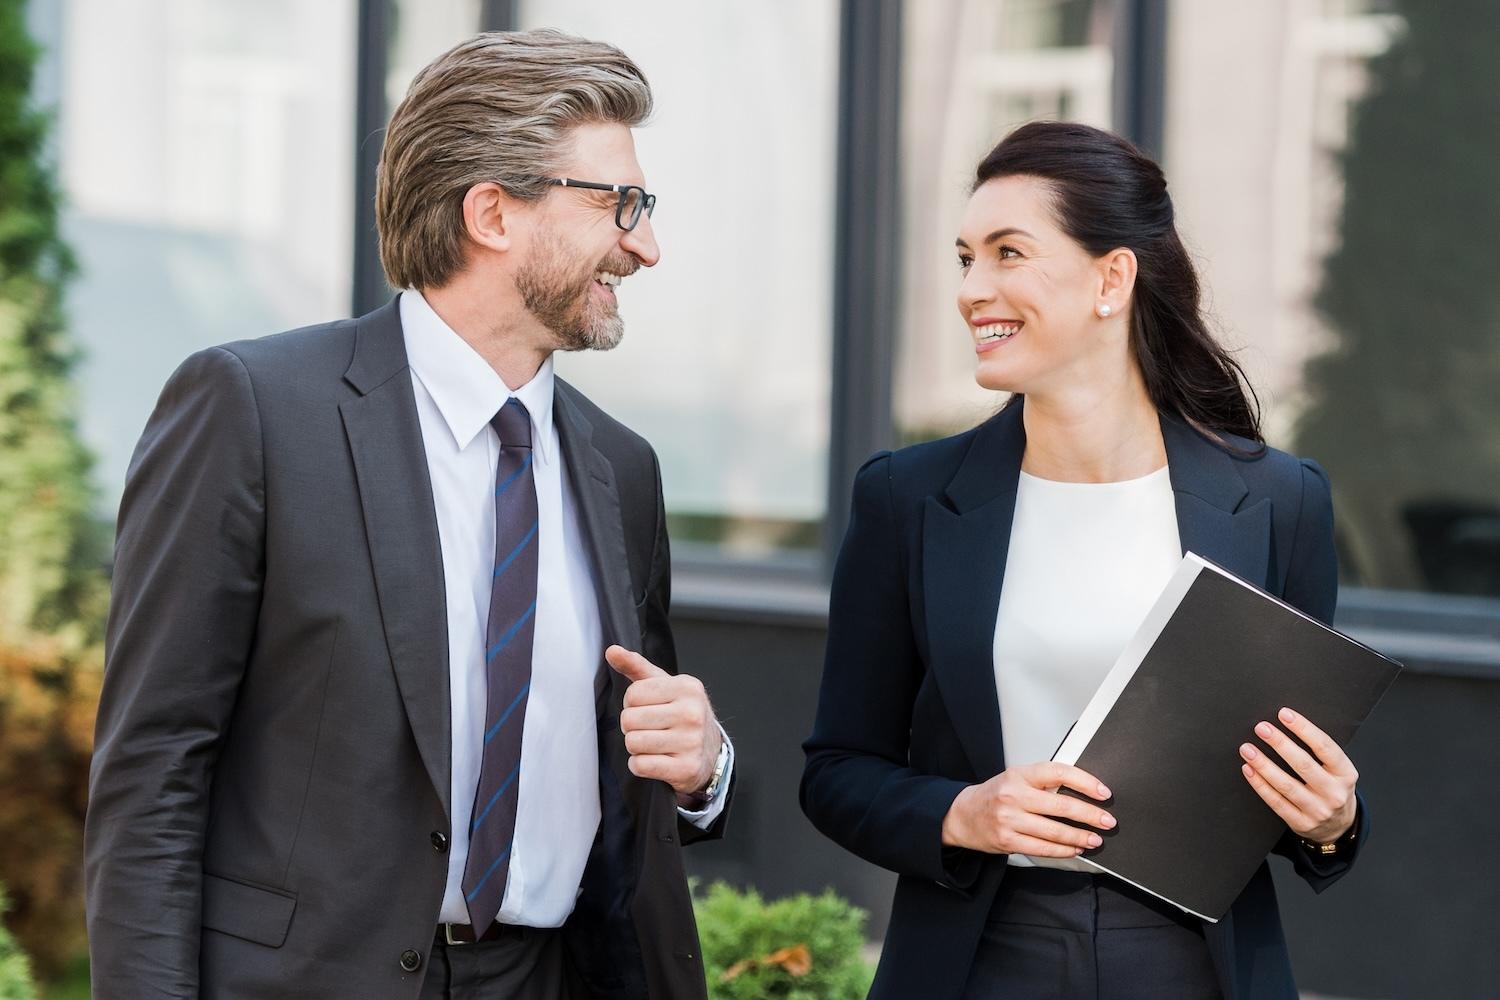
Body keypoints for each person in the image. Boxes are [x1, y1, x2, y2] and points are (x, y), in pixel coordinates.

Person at [84, 29, 734, 1000]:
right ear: (492, 213)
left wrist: (702, 766)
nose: (644, 244)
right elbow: (154, 768)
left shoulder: (621, 470)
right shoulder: (255, 410)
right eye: (621, 203)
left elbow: (623, 773)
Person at [800, 121, 1367, 1000]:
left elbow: (1290, 775)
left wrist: (1332, 819)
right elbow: (837, 770)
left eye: (1008, 253)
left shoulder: (1279, 501)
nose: (972, 289)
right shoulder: (906, 499)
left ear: (1112, 279)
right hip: (979, 956)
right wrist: (963, 812)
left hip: (1197, 963)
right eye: (965, 258)